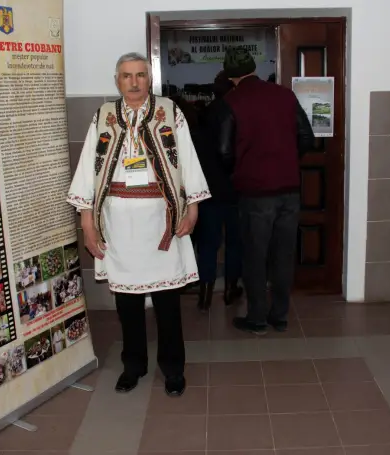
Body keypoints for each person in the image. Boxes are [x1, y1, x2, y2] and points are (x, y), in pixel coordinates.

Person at [67, 52, 211, 396]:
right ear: (117, 80)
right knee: (127, 303)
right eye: (126, 76)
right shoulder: (103, 116)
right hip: (118, 225)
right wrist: (88, 223)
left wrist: (192, 209)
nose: (134, 82)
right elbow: (89, 169)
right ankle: (133, 365)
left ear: (150, 79)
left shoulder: (169, 113)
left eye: (140, 75)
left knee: (167, 302)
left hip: (163, 220)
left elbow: (188, 160)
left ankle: (173, 369)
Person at [217, 46, 314, 335]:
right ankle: (280, 316)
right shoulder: (284, 95)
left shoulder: (231, 102)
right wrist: (286, 161)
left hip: (255, 193)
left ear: (230, 76)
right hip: (289, 190)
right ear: (253, 68)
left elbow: (223, 151)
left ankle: (257, 317)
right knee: (283, 255)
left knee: (255, 256)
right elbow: (306, 137)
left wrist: (241, 170)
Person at [194, 71, 243, 311]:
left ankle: (204, 296)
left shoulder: (202, 116)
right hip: (234, 190)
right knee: (235, 242)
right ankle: (230, 290)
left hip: (208, 191)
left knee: (208, 244)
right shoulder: (237, 114)